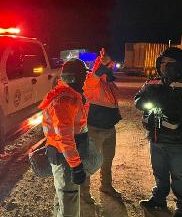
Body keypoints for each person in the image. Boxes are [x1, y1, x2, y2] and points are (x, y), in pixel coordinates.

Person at [134, 47, 182, 217]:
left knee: (181, 176)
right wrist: (144, 103)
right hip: (157, 139)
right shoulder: (153, 82)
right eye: (162, 63)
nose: (164, 66)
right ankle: (159, 198)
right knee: (159, 172)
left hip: (180, 141)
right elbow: (137, 98)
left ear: (179, 65)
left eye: (169, 63)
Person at [39, 59, 90, 217]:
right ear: (76, 78)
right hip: (65, 158)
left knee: (62, 195)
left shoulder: (65, 94)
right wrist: (76, 166)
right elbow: (65, 137)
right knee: (68, 197)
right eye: (84, 77)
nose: (85, 80)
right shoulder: (66, 100)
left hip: (64, 154)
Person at [81, 48, 122, 203]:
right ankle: (84, 192)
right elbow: (91, 80)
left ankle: (106, 186)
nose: (111, 69)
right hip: (94, 129)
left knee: (107, 160)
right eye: (108, 67)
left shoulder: (110, 85)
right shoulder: (92, 82)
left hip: (110, 129)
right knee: (91, 161)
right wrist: (101, 66)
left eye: (111, 66)